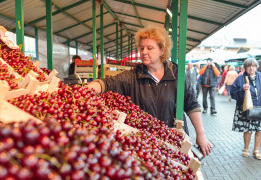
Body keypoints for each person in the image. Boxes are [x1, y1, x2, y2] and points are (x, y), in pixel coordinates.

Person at [87, 26, 212, 156]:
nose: (144, 52)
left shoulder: (177, 75)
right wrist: (87, 89)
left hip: (174, 143)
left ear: (162, 50)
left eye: (150, 48)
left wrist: (201, 134)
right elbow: (108, 83)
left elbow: (191, 105)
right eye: (141, 48)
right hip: (145, 146)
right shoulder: (133, 76)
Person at [230, 58, 261, 160]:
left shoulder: (260, 76)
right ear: (245, 67)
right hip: (246, 108)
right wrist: (242, 89)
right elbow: (233, 93)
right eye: (249, 66)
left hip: (259, 107)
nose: (251, 68)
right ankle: (246, 148)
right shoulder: (240, 78)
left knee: (259, 130)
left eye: (253, 66)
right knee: (248, 130)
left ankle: (256, 149)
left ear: (256, 67)